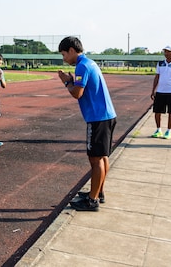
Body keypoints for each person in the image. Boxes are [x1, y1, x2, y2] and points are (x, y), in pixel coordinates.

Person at [58, 36, 116, 212]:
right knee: (103, 156)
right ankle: (98, 192)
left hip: (97, 118)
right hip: (106, 115)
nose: (64, 58)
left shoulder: (82, 66)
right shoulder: (89, 62)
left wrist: (67, 81)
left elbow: (77, 93)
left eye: (64, 54)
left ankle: (92, 200)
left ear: (72, 50)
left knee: (95, 159)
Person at [150, 46, 171, 140]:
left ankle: (168, 131)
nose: (166, 53)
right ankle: (158, 130)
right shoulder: (160, 64)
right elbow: (157, 77)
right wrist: (153, 90)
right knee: (157, 112)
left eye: (168, 52)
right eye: (165, 52)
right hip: (160, 91)